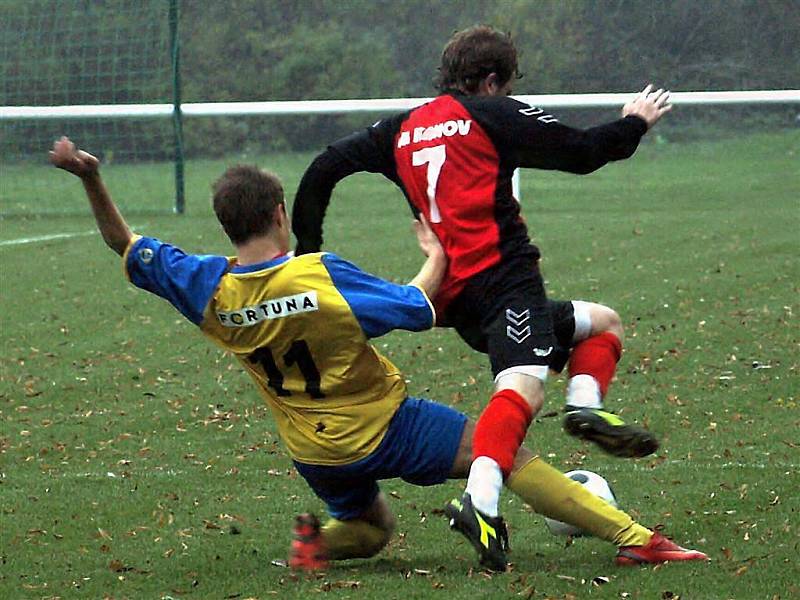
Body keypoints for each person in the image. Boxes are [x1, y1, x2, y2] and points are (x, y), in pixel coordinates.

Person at [49, 136, 706, 573]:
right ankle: (634, 539)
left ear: (229, 224)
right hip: (390, 427)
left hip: (314, 451)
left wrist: (91, 178)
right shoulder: (317, 275)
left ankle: (317, 544)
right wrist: (436, 254)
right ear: (281, 213)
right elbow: (419, 308)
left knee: (371, 531)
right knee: (501, 451)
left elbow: (123, 243)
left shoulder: (206, 287)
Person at [291, 25, 671, 569]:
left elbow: (325, 166)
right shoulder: (492, 114)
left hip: (452, 296)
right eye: (509, 84)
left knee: (602, 323)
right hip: (501, 280)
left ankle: (586, 409)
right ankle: (481, 501)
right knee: (522, 387)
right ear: (493, 81)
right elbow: (585, 151)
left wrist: (308, 248)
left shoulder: (398, 130)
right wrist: (635, 121)